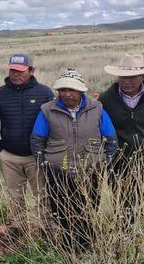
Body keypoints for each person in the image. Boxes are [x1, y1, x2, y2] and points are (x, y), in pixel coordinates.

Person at [30, 69, 118, 250]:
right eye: (62, 90)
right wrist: (43, 163)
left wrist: (104, 162)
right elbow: (37, 139)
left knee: (87, 209)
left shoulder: (97, 109)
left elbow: (111, 139)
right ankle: (67, 248)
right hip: (58, 172)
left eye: (72, 90)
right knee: (60, 211)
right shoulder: (47, 110)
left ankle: (86, 247)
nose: (67, 94)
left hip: (90, 172)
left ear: (81, 91)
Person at [0, 53, 54, 239]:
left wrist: (47, 150)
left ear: (31, 71)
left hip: (37, 156)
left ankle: (47, 227)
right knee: (15, 196)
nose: (16, 74)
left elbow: (53, 122)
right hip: (9, 155)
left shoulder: (45, 92)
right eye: (13, 70)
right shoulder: (0, 93)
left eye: (21, 71)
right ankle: (18, 226)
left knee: (43, 195)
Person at [98, 53, 144, 227]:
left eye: (132, 77)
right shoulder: (106, 98)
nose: (127, 81)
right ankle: (124, 245)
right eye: (123, 77)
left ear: (142, 76)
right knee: (122, 207)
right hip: (118, 163)